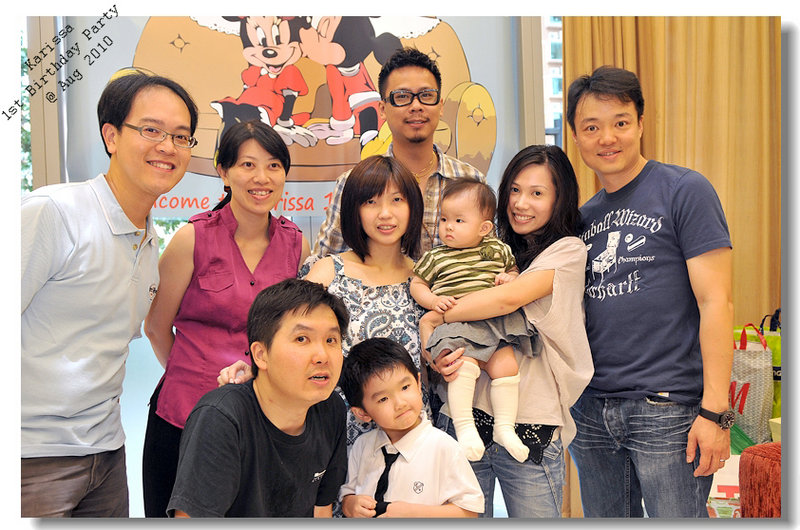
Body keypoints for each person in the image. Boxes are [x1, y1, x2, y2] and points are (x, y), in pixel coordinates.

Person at [21, 72, 198, 517]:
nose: (168, 147)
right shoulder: (55, 212)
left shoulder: (149, 239)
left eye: (181, 136)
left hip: (106, 453)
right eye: (152, 130)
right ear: (112, 136)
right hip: (32, 456)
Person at [565, 65, 734, 518]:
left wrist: (715, 413)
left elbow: (716, 301)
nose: (607, 138)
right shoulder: (581, 218)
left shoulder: (684, 190)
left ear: (641, 123)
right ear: (576, 138)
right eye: (591, 127)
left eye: (620, 122)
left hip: (667, 410)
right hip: (591, 411)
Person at [141, 120, 310, 517]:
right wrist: (192, 373)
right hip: (183, 416)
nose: (261, 178)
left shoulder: (297, 246)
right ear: (224, 172)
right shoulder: (192, 238)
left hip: (263, 421)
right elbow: (156, 326)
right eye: (247, 165)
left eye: (273, 166)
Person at [428, 145, 594, 518]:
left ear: (560, 199)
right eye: (515, 190)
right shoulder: (491, 250)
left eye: (537, 193)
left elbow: (507, 300)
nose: (521, 203)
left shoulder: (567, 251)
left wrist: (436, 317)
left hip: (530, 420)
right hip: (465, 416)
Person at [167, 278, 350, 517]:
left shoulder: (331, 409)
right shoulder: (222, 418)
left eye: (331, 340)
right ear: (261, 355)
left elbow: (321, 510)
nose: (322, 356)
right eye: (302, 339)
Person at [312, 46, 485, 260]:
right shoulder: (353, 183)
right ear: (382, 109)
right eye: (402, 96)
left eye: (426, 95)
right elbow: (324, 262)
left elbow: (490, 258)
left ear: (440, 106)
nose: (416, 106)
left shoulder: (470, 180)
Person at [410, 178, 534, 464]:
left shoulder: (497, 250)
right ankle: (465, 428)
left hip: (492, 323)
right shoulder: (436, 256)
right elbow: (417, 284)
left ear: (484, 228)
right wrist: (432, 301)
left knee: (506, 367)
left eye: (458, 220)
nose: (448, 227)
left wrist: (509, 278)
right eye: (444, 219)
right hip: (456, 325)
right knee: (463, 366)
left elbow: (513, 271)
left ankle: (505, 428)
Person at [338, 337, 484, 518]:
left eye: (405, 387)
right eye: (383, 399)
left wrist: (413, 513)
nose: (400, 403)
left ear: (418, 382)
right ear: (362, 413)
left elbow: (469, 513)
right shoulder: (362, 446)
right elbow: (348, 493)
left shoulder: (444, 447)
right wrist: (350, 505)